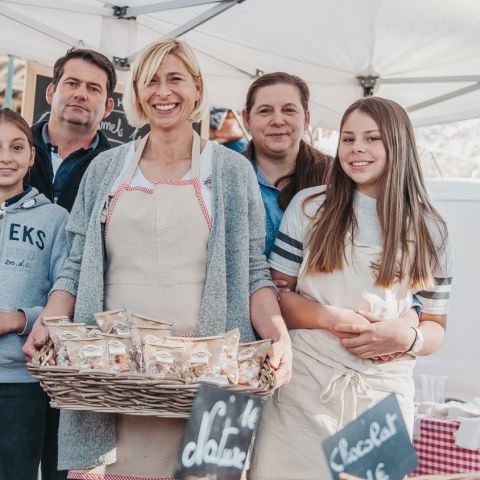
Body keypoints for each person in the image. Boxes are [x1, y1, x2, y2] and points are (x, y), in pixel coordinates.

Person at [24, 37, 291, 479]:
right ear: (137, 94)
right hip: (114, 370)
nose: (162, 92)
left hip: (208, 368)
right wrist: (48, 322)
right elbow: (75, 267)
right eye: (150, 81)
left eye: (175, 79)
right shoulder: (106, 169)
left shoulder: (230, 171)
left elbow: (251, 271)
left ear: (197, 87)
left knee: (205, 471)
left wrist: (279, 337)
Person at [249, 97, 453, 479]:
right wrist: (332, 318)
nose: (357, 148)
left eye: (372, 138)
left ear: (399, 144)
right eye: (348, 138)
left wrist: (405, 336)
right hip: (304, 392)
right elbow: (275, 296)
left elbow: (436, 325)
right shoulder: (310, 208)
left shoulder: (430, 229)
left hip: (381, 396)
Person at [0, 108, 68, 480]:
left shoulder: (54, 219)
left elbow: (67, 293)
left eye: (16, 147)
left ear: (31, 156)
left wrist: (20, 318)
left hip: (22, 383)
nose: (5, 157)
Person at [242, 72, 332, 255]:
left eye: (289, 110)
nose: (277, 121)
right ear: (246, 120)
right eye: (265, 110)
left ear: (306, 119)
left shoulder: (336, 177)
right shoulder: (223, 177)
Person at [29, 48, 117, 212]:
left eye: (93, 88)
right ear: (50, 92)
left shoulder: (116, 171)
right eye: (72, 83)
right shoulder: (10, 151)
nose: (81, 94)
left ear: (108, 107)